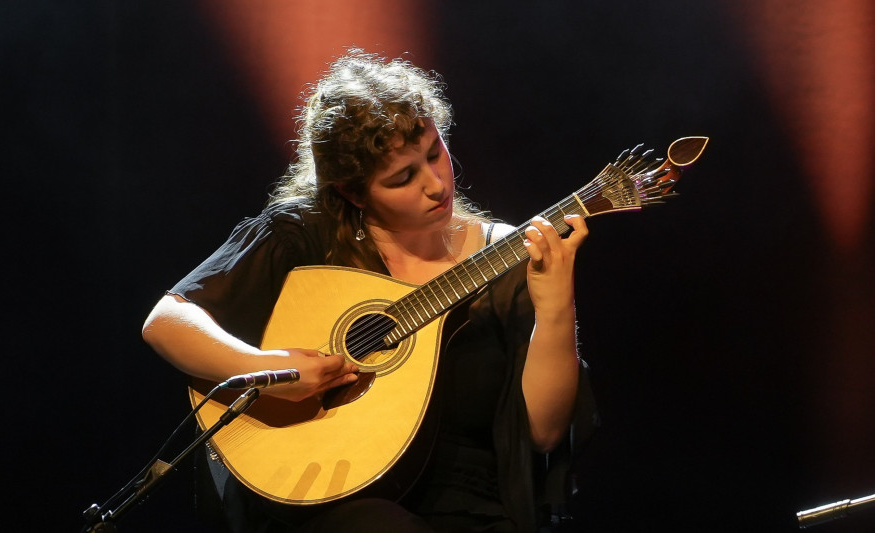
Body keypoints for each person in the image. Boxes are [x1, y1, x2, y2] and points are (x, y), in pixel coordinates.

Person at [142, 49, 598, 533]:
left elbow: (546, 433)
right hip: (329, 496)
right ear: (353, 193)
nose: (435, 184)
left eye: (433, 152)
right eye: (403, 177)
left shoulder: (505, 256)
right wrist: (269, 371)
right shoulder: (305, 237)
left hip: (473, 509)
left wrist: (554, 306)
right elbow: (167, 323)